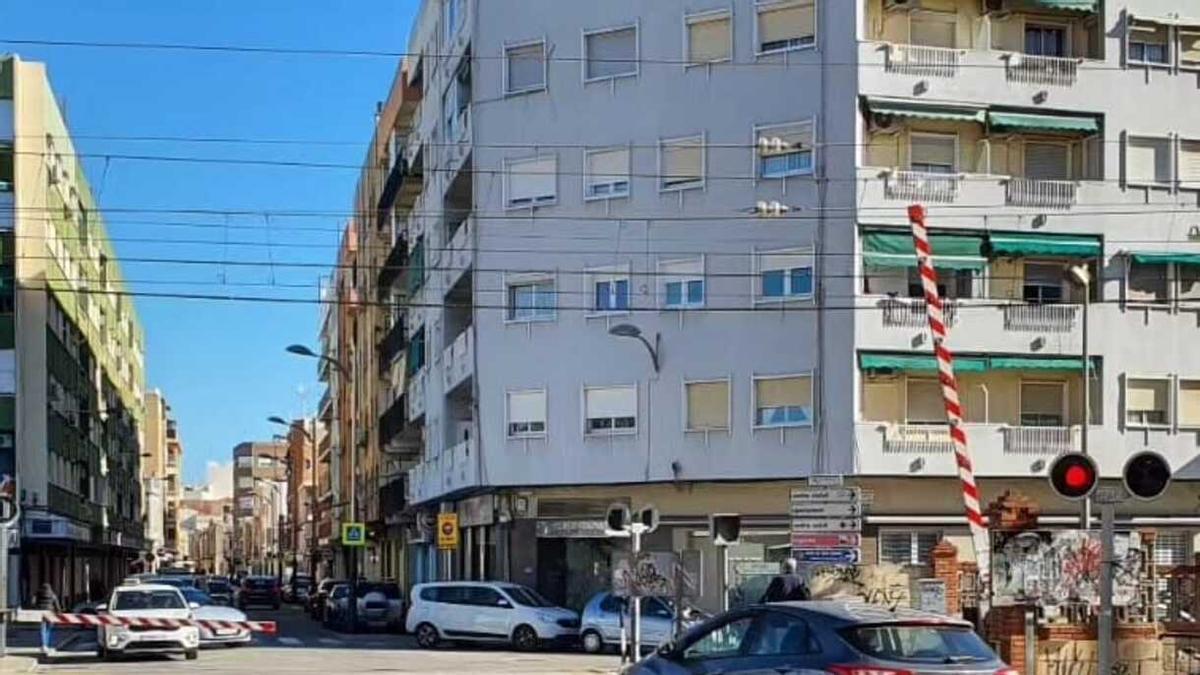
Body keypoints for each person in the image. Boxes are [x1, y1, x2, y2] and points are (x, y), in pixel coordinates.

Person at [35, 583, 61, 655]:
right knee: (49, 629)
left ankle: (43, 645)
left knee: (42, 629)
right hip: (50, 613)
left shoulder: (39, 594)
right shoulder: (53, 595)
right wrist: (59, 612)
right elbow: (57, 605)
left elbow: (35, 603)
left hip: (41, 613)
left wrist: (37, 609)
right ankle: (47, 644)